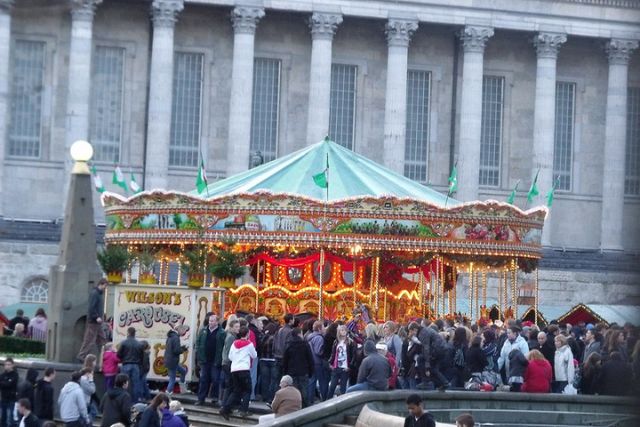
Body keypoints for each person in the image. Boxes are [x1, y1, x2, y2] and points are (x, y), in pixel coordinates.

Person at [219, 326, 257, 420]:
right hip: (244, 368)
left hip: (234, 369)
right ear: (247, 334)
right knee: (247, 390)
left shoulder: (234, 343)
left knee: (236, 390)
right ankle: (243, 410)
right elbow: (254, 355)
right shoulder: (249, 344)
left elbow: (230, 356)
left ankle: (225, 408)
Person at [408, 321, 449, 390]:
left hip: (437, 350)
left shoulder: (422, 333)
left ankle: (426, 382)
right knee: (433, 367)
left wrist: (427, 365)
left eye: (411, 331)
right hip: (441, 349)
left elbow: (426, 349)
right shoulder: (424, 330)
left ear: (415, 329)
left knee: (421, 360)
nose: (411, 334)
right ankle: (443, 383)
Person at [195, 314, 225, 406]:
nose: (210, 322)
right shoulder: (203, 330)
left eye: (212, 321)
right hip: (205, 360)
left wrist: (220, 359)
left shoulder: (222, 332)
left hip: (215, 360)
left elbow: (223, 346)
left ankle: (215, 397)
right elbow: (198, 342)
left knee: (215, 379)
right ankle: (201, 399)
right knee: (203, 379)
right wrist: (199, 355)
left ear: (217, 322)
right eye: (210, 321)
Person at [77, 279, 108, 362]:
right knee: (90, 340)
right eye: (105, 286)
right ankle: (82, 356)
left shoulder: (97, 294)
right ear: (101, 284)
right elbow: (91, 307)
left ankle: (105, 356)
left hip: (97, 321)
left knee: (102, 339)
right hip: (94, 321)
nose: (105, 288)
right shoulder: (95, 294)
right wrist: (96, 316)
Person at [282, 327, 314, 408]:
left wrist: (285, 372)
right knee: (304, 391)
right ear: (300, 334)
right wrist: (311, 371)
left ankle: (294, 407)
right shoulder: (305, 344)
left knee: (293, 391)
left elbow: (285, 360)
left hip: (291, 371)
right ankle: (305, 407)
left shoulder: (288, 344)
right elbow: (310, 358)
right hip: (303, 371)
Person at [328, 325, 355, 398]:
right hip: (336, 367)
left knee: (343, 388)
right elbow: (333, 354)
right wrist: (330, 363)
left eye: (344, 330)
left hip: (345, 368)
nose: (343, 332)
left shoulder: (350, 342)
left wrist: (349, 367)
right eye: (341, 330)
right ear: (339, 332)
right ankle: (327, 402)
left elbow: (353, 356)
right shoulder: (336, 342)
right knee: (332, 386)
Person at [117, 327, 143, 402]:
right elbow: (141, 356)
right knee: (136, 384)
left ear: (128, 333)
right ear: (135, 333)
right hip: (136, 365)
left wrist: (123, 358)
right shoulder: (139, 344)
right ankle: (135, 401)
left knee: (123, 383)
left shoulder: (124, 342)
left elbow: (118, 354)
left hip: (126, 364)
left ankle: (124, 400)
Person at [306, 320, 328, 403]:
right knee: (322, 381)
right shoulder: (319, 338)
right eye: (323, 327)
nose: (324, 329)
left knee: (312, 381)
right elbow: (318, 351)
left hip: (311, 361)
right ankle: (324, 398)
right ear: (319, 328)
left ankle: (309, 399)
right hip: (318, 362)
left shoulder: (310, 337)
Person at [164, 329, 187, 395]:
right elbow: (176, 350)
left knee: (183, 371)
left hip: (169, 360)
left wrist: (181, 348)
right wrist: (183, 349)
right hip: (173, 361)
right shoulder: (176, 338)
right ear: (178, 330)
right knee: (172, 379)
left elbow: (171, 348)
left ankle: (183, 390)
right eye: (182, 331)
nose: (183, 332)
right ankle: (167, 395)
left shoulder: (170, 336)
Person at [0, 357, 19, 427]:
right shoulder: (2, 375)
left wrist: (4, 383)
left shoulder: (15, 375)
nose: (7, 366)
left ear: (12, 365)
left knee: (10, 418)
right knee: (2, 417)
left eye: (9, 364)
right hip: (3, 399)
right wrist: (6, 382)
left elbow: (10, 384)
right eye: (6, 364)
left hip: (11, 399)